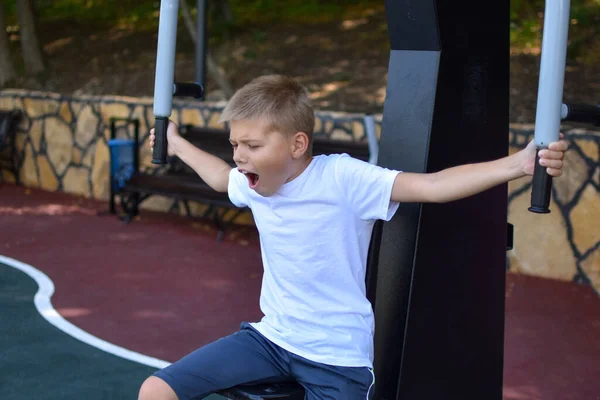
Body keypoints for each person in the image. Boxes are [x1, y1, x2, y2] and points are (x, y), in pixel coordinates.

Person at [138, 75, 568, 400]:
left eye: (250, 145)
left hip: (337, 358)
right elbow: (218, 177)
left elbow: (432, 186)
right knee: (155, 391)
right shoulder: (253, 184)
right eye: (235, 144)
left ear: (296, 144)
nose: (238, 156)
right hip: (270, 340)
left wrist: (518, 164)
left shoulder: (341, 178)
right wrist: (175, 143)